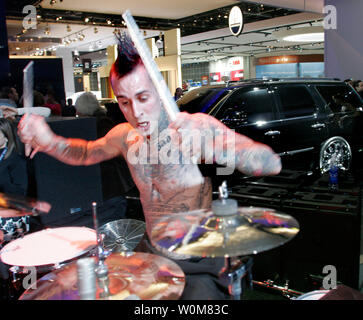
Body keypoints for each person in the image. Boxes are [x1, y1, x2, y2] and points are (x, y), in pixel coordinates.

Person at [17, 33, 281, 300]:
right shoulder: (124, 135)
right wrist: (48, 140)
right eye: (124, 102)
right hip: (152, 250)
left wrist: (216, 145)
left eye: (143, 98)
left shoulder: (192, 128)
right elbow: (85, 153)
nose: (136, 112)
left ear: (159, 88)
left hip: (197, 258)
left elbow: (271, 163)